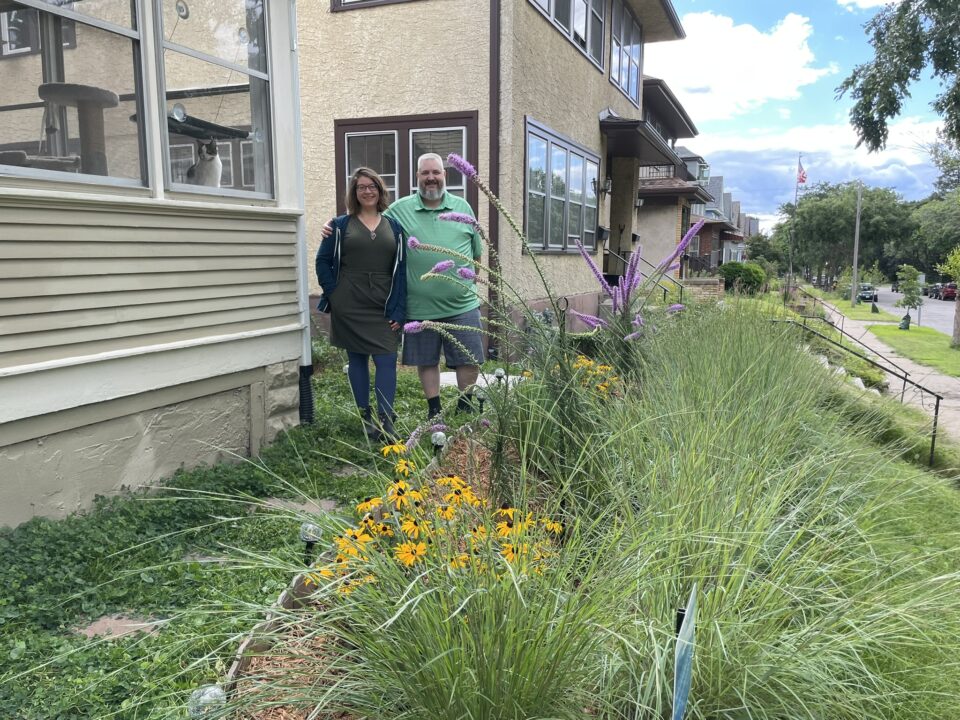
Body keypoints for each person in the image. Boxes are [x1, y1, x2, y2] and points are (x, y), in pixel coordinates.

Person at [324, 153, 484, 420]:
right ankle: (434, 409)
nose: (431, 177)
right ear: (417, 177)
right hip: (420, 305)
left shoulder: (463, 207)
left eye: (436, 172)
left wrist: (466, 282)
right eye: (425, 173)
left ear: (445, 175)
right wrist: (331, 226)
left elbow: (476, 253)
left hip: (463, 304)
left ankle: (465, 402)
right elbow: (367, 218)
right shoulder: (399, 209)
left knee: (468, 357)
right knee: (427, 360)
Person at [315, 167, 407, 439]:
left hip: (383, 300)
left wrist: (399, 310)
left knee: (387, 359)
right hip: (349, 301)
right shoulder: (340, 225)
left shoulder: (395, 227)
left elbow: (401, 270)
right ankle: (366, 416)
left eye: (372, 186)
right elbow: (322, 261)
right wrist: (335, 294)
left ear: (380, 190)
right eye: (361, 187)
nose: (367, 191)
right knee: (357, 359)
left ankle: (386, 419)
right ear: (354, 193)